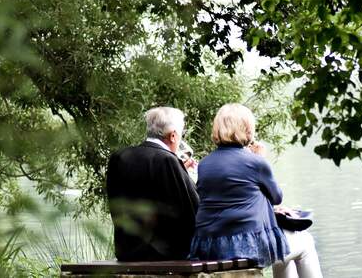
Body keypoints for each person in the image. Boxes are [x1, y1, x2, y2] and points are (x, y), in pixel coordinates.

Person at [189, 103, 322, 278]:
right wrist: (260, 158)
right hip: (245, 247)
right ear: (247, 129)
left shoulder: (205, 164)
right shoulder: (255, 162)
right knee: (305, 242)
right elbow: (276, 197)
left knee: (285, 249)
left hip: (210, 246)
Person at [106, 107, 199, 261]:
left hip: (126, 250)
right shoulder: (168, 160)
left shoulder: (119, 157)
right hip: (165, 253)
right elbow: (192, 209)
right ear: (173, 136)